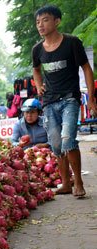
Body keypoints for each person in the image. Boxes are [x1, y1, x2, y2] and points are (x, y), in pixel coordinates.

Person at [32, 5, 96, 197]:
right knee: (56, 144)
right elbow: (36, 69)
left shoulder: (71, 43)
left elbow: (86, 68)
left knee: (68, 139)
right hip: (49, 102)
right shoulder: (37, 49)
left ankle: (78, 181)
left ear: (57, 21)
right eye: (38, 22)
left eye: (45, 20)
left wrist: (91, 99)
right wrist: (38, 84)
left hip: (69, 99)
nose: (40, 25)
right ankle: (66, 183)